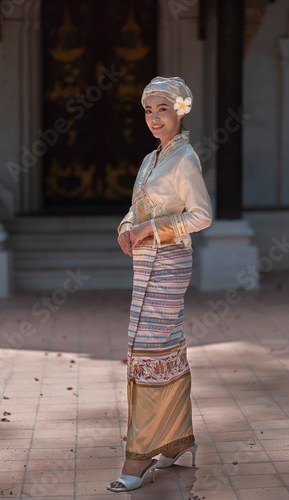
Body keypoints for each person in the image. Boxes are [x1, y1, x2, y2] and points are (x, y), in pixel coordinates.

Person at [107, 76, 212, 493]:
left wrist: (153, 228)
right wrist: (126, 227)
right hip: (147, 261)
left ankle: (141, 454)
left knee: (149, 349)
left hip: (169, 262)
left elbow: (201, 216)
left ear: (180, 111)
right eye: (148, 110)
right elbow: (136, 208)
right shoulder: (151, 159)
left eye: (162, 109)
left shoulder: (184, 157)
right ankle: (176, 440)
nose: (154, 118)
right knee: (159, 346)